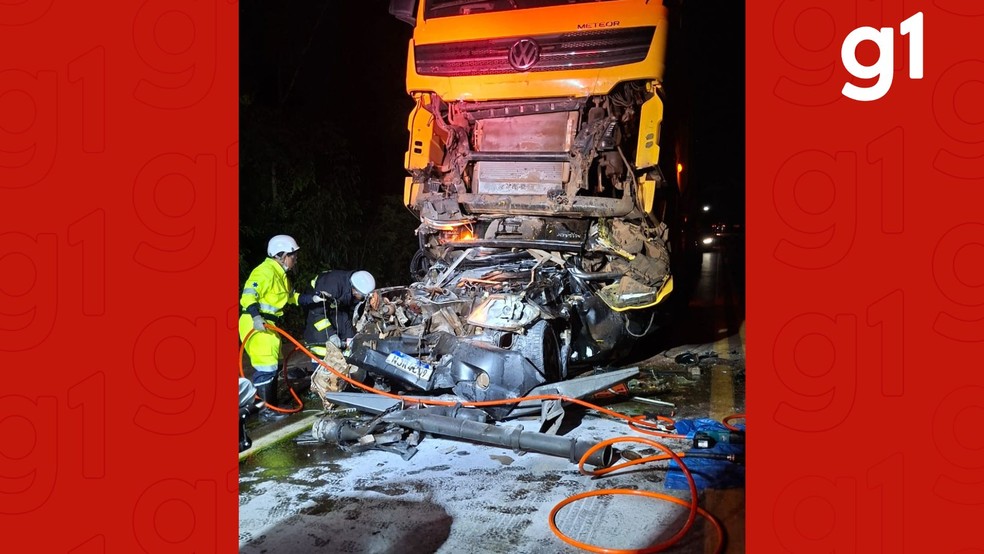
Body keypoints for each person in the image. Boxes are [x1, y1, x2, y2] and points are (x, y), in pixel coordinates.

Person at [239, 234, 322, 418]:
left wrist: (313, 299)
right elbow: (247, 296)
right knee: (266, 368)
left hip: (268, 325)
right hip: (257, 323)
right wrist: (255, 317)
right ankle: (266, 411)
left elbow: (292, 297)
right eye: (293, 255)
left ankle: (270, 405)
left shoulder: (280, 275)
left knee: (272, 367)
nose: (295, 259)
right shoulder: (265, 272)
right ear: (281, 255)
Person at [302, 270, 375, 370]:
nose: (362, 299)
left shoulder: (351, 289)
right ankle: (320, 373)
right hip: (317, 314)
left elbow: (351, 312)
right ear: (355, 290)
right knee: (324, 349)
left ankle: (346, 377)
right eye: (362, 296)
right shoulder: (332, 284)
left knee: (351, 344)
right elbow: (316, 313)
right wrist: (331, 334)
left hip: (337, 312)